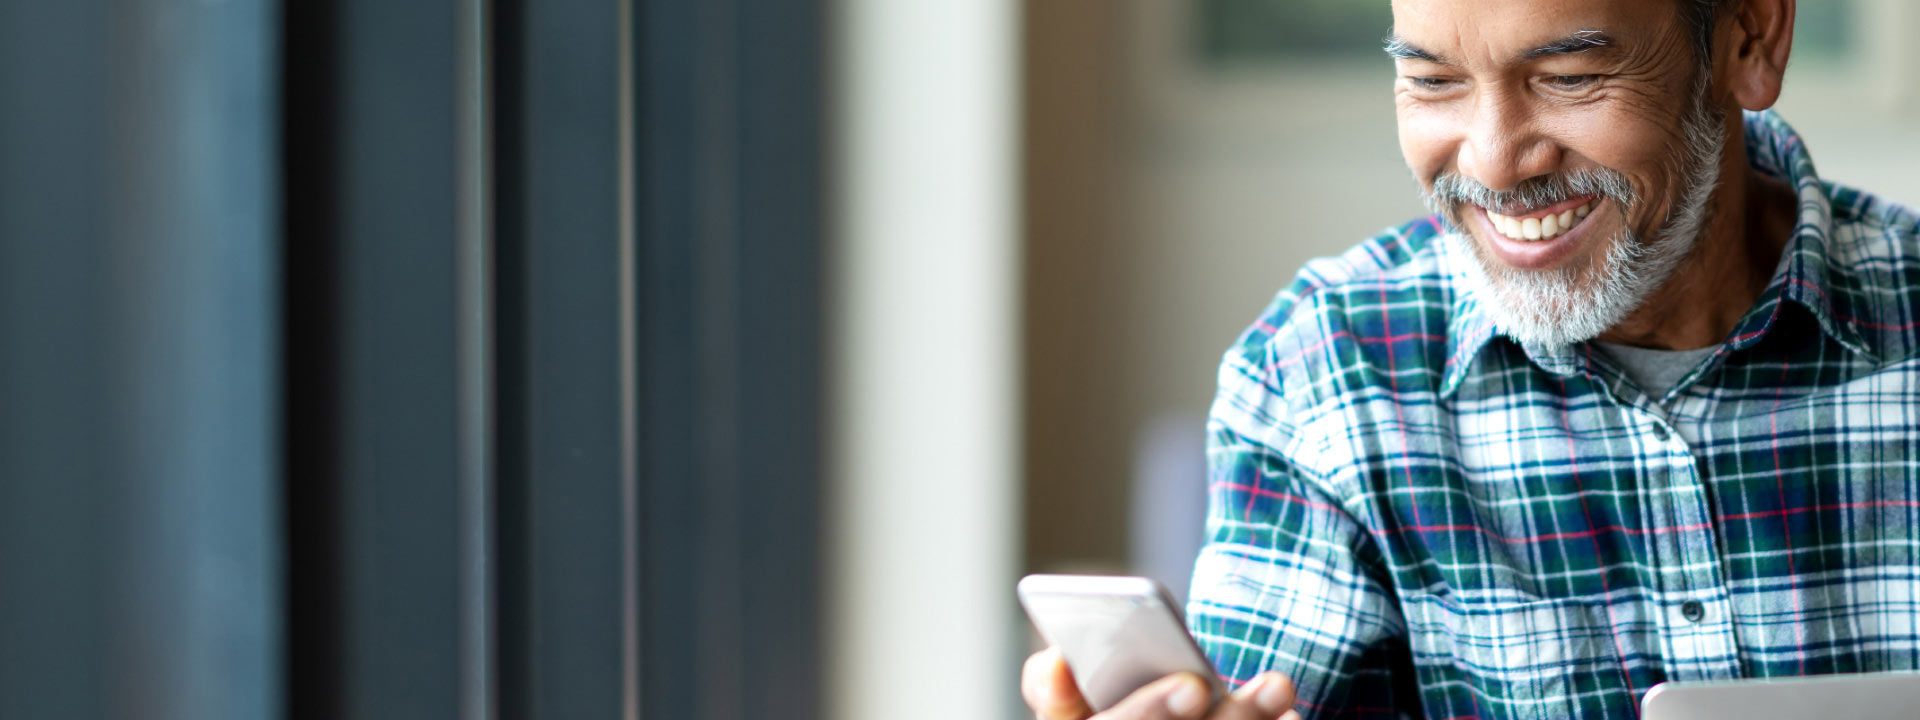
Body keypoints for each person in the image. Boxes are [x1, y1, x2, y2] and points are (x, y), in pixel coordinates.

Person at [1022, 0, 1920, 717]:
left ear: (1750, 37)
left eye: (1568, 77)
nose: (1495, 163)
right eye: (1433, 80)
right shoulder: (1324, 375)